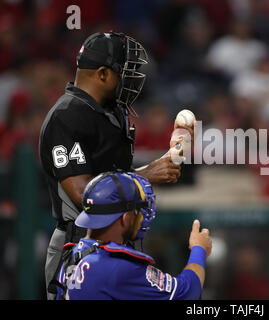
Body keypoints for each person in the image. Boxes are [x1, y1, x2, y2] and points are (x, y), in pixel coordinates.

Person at [39, 32, 193, 299]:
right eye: (124, 71)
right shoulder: (66, 116)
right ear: (102, 74)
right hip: (79, 246)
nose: (131, 79)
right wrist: (146, 174)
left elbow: (113, 173)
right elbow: (82, 194)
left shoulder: (114, 111)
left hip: (121, 240)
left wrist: (164, 164)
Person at [54, 171, 211, 300]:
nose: (140, 217)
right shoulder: (115, 266)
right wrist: (199, 249)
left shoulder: (73, 255)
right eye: (136, 212)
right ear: (126, 217)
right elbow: (187, 292)